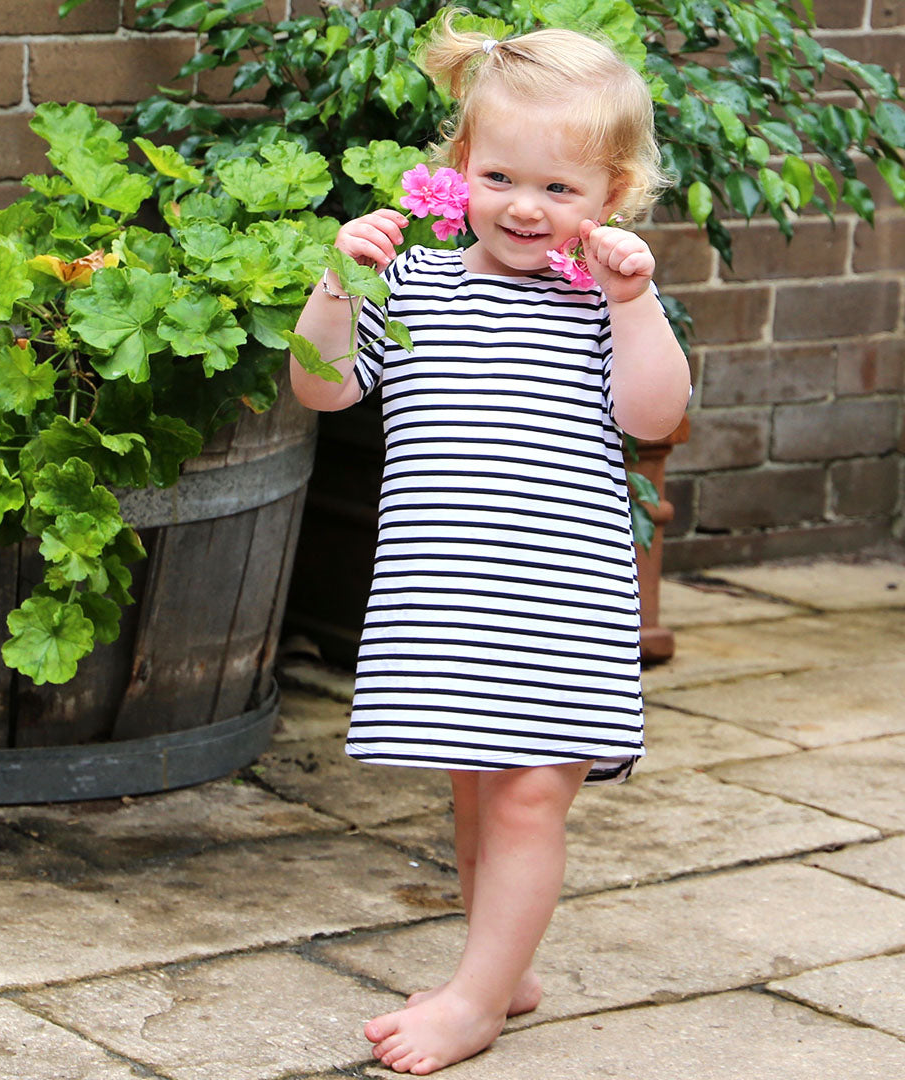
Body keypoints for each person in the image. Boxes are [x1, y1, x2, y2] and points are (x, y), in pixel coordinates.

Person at [290, 10, 691, 1075]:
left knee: (525, 795)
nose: (526, 206)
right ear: (460, 166)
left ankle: (472, 1000)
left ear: (614, 197)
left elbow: (654, 416)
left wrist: (638, 303)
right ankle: (500, 971)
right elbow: (321, 390)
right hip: (446, 596)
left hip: (562, 599)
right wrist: (339, 282)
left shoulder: (604, 305)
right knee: (474, 786)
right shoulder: (414, 288)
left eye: (562, 190)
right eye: (503, 176)